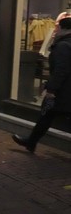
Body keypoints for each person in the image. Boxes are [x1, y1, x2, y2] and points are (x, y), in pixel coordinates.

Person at [12, 17, 71, 153]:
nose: (55, 30)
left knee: (46, 115)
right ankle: (30, 142)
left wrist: (51, 89)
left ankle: (30, 142)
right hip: (65, 90)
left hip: (62, 91)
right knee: (46, 116)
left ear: (64, 29)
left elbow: (60, 70)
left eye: (58, 28)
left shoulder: (63, 46)